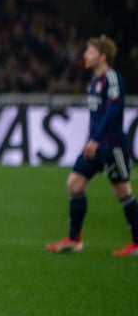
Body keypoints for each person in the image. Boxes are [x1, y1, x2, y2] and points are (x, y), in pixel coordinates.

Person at [46, 35, 137, 256]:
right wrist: (92, 139)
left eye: (90, 52)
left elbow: (113, 111)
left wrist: (95, 138)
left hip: (112, 145)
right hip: (94, 145)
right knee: (74, 184)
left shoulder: (112, 78)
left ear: (102, 56)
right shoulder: (94, 82)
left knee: (122, 190)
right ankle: (74, 239)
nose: (85, 55)